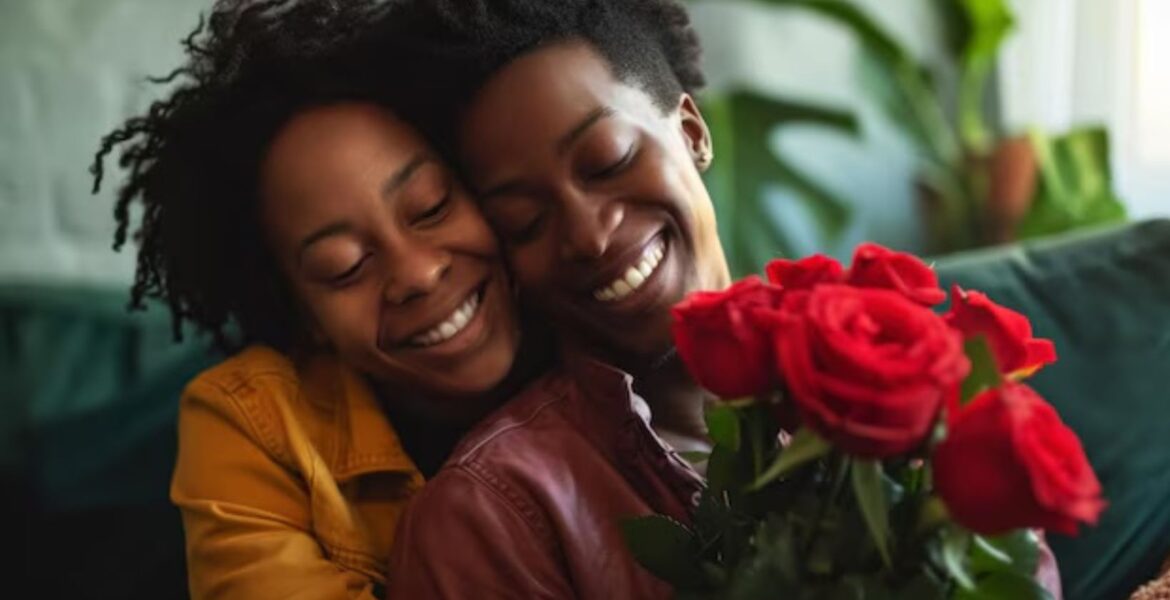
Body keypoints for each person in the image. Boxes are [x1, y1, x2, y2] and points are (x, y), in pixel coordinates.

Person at [373, 0, 1064, 598]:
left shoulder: (900, 381)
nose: (586, 234)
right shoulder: (494, 515)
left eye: (609, 161)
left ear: (693, 132)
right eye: (525, 221)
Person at [91, 1, 545, 597]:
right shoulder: (248, 425)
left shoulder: (590, 309)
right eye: (345, 267)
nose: (417, 273)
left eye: (432, 207)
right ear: (302, 314)